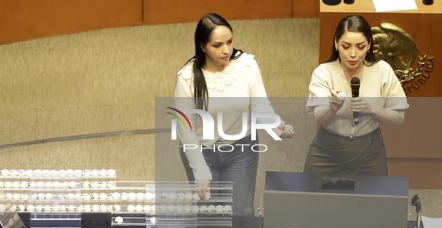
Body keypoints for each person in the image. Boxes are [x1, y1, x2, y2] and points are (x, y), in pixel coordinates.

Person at [174, 13, 292, 217]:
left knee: (241, 213)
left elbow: (260, 105)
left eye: (229, 42)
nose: (226, 50)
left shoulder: (246, 66)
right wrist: (200, 171)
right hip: (202, 151)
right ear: (202, 46)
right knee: (208, 214)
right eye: (217, 45)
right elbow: (186, 129)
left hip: (242, 150)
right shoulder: (187, 77)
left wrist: (276, 125)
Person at [304, 15, 408, 175]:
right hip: (327, 152)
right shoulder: (323, 72)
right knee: (315, 199)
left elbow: (398, 118)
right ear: (336, 44)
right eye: (346, 46)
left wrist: (372, 109)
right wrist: (332, 109)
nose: (353, 54)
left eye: (360, 47)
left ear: (369, 45)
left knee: (372, 200)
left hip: (369, 152)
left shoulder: (382, 70)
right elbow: (320, 118)